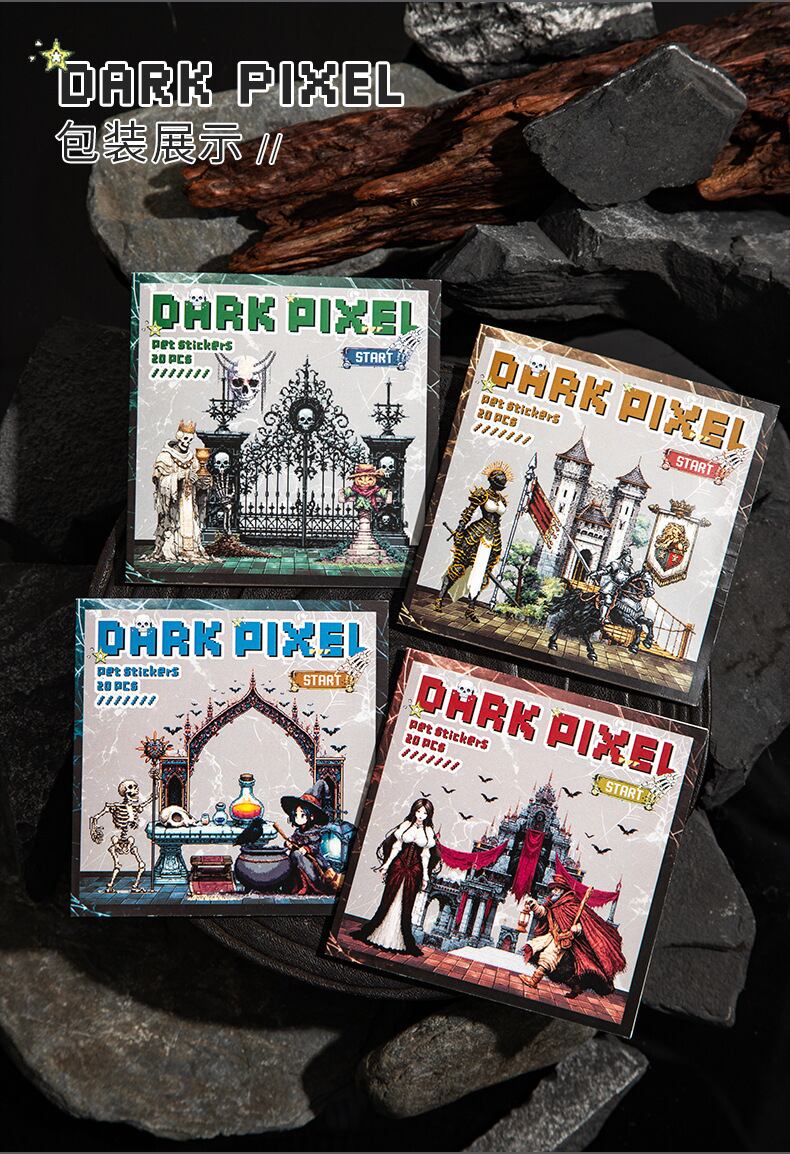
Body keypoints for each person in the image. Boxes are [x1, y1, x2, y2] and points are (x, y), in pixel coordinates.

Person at [351, 798, 440, 956]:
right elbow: (395, 847)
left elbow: (426, 856)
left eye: (424, 813)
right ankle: (378, 934)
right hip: (398, 867)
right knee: (388, 899)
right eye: (418, 811)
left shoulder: (428, 832)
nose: (421, 815)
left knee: (407, 904)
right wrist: (386, 865)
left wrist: (425, 876)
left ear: (429, 815)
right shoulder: (406, 825)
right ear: (414, 811)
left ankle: (399, 940)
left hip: (414, 871)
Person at [520, 874, 626, 998]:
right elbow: (545, 914)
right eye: (553, 889)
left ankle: (534, 981)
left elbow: (585, 922)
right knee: (534, 947)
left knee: (548, 956)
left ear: (563, 890)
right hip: (553, 935)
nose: (554, 892)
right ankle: (576, 987)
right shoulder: (553, 904)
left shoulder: (572, 904)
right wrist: (534, 906)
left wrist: (577, 929)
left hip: (564, 940)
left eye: (557, 889)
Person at [434, 461, 513, 622]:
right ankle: (439, 599)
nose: (500, 486)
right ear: (492, 481)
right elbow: (468, 512)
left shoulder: (502, 500)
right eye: (499, 482)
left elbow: (497, 521)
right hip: (474, 535)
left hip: (493, 539)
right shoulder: (482, 494)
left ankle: (470, 609)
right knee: (458, 567)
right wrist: (460, 530)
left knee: (481, 574)